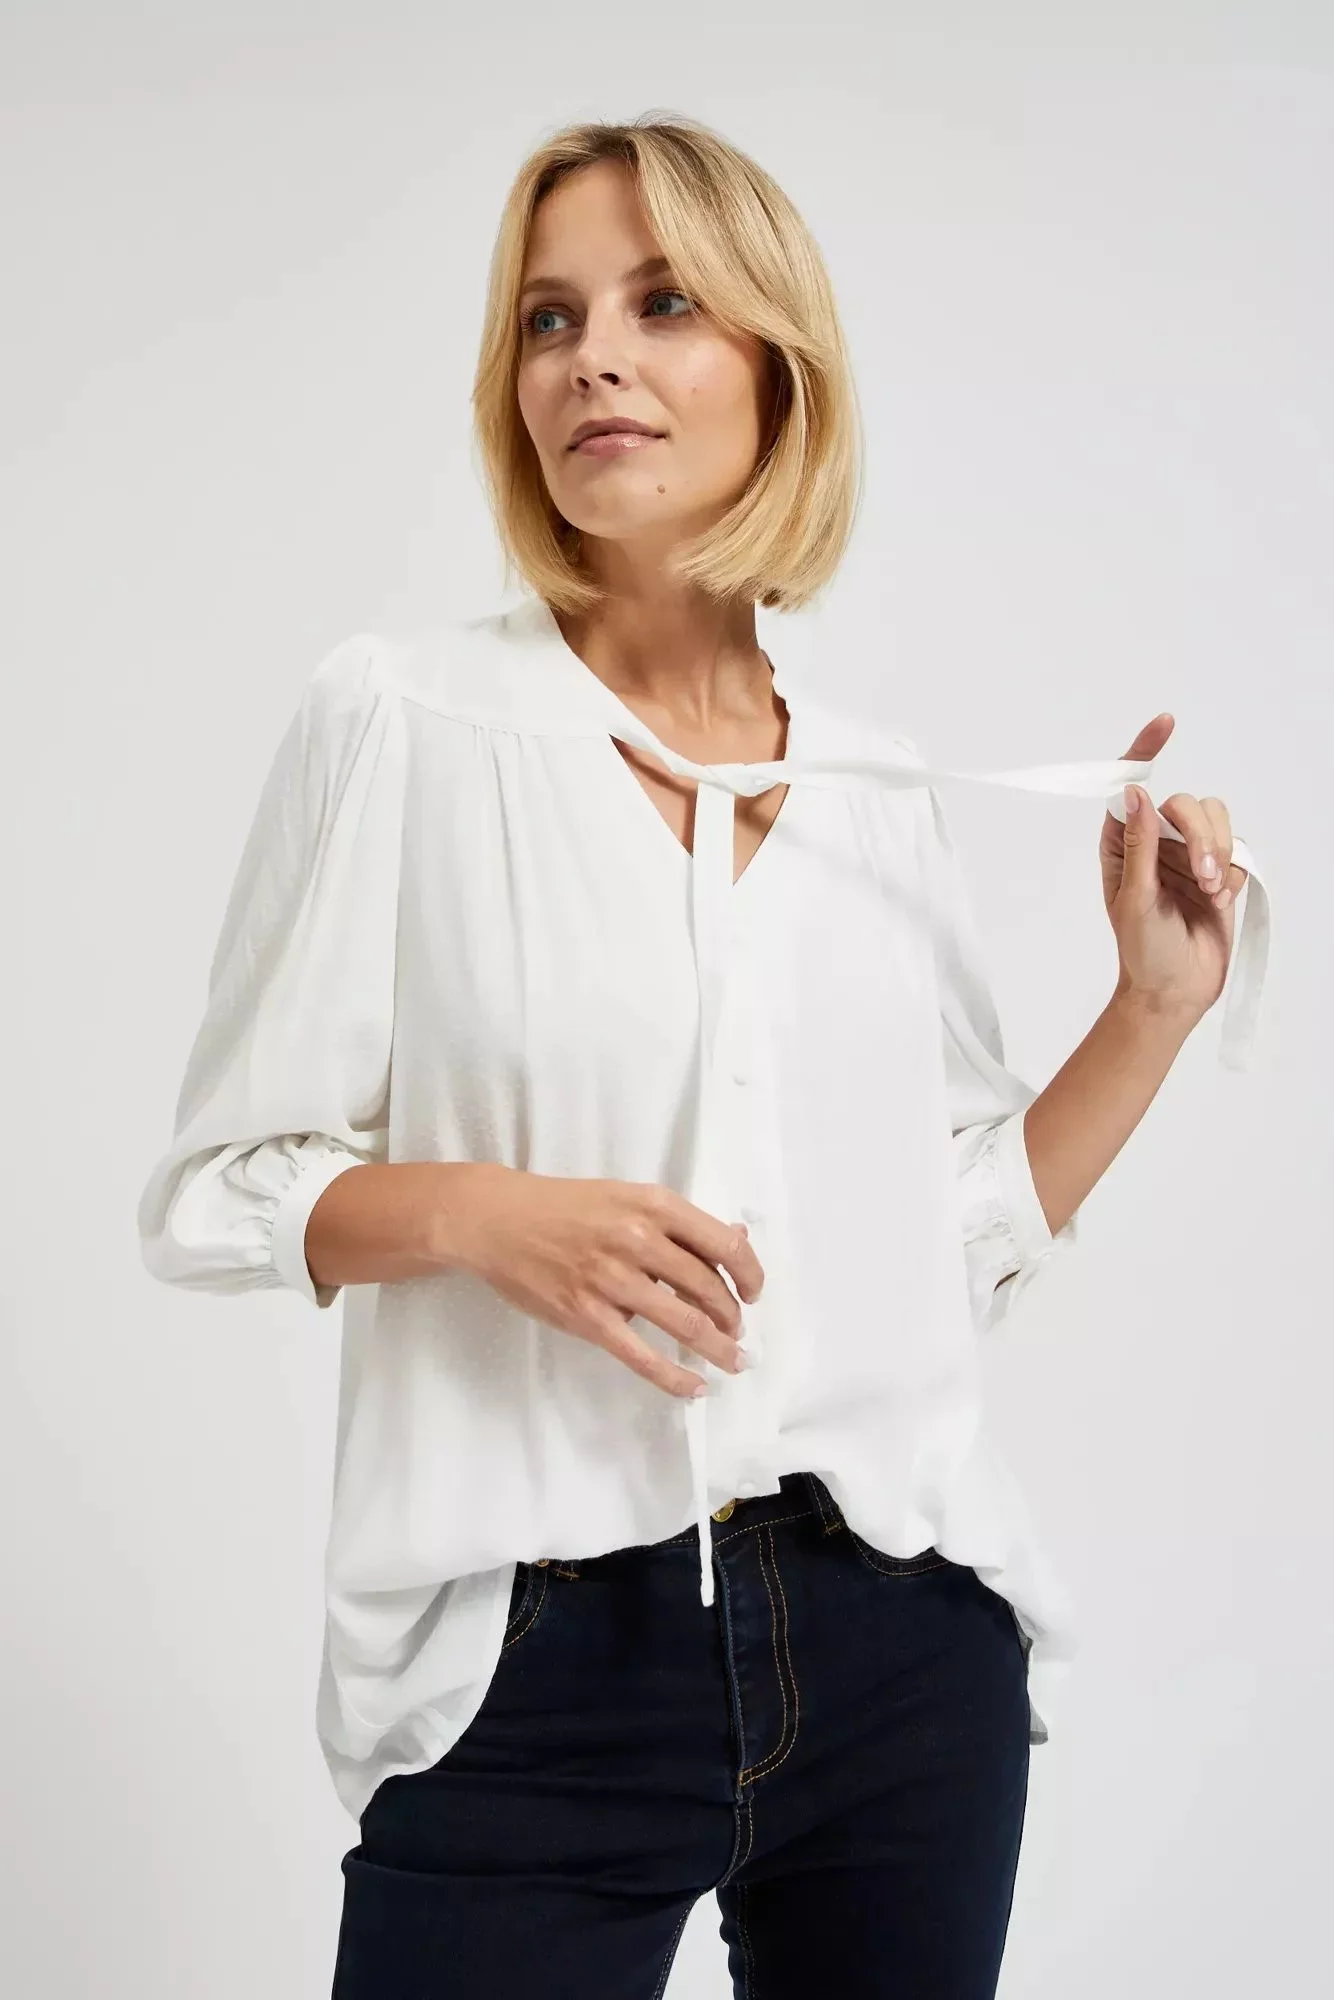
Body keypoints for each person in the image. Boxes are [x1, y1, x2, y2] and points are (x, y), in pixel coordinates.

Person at [136, 114, 1267, 2000]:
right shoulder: (404, 721)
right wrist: (487, 1218)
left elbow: (943, 1243)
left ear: (778, 366)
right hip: (533, 1674)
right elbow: (210, 1194)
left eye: (663, 304)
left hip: (901, 1659)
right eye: (549, 317)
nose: (593, 357)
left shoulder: (870, 783)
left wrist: (1150, 1008)